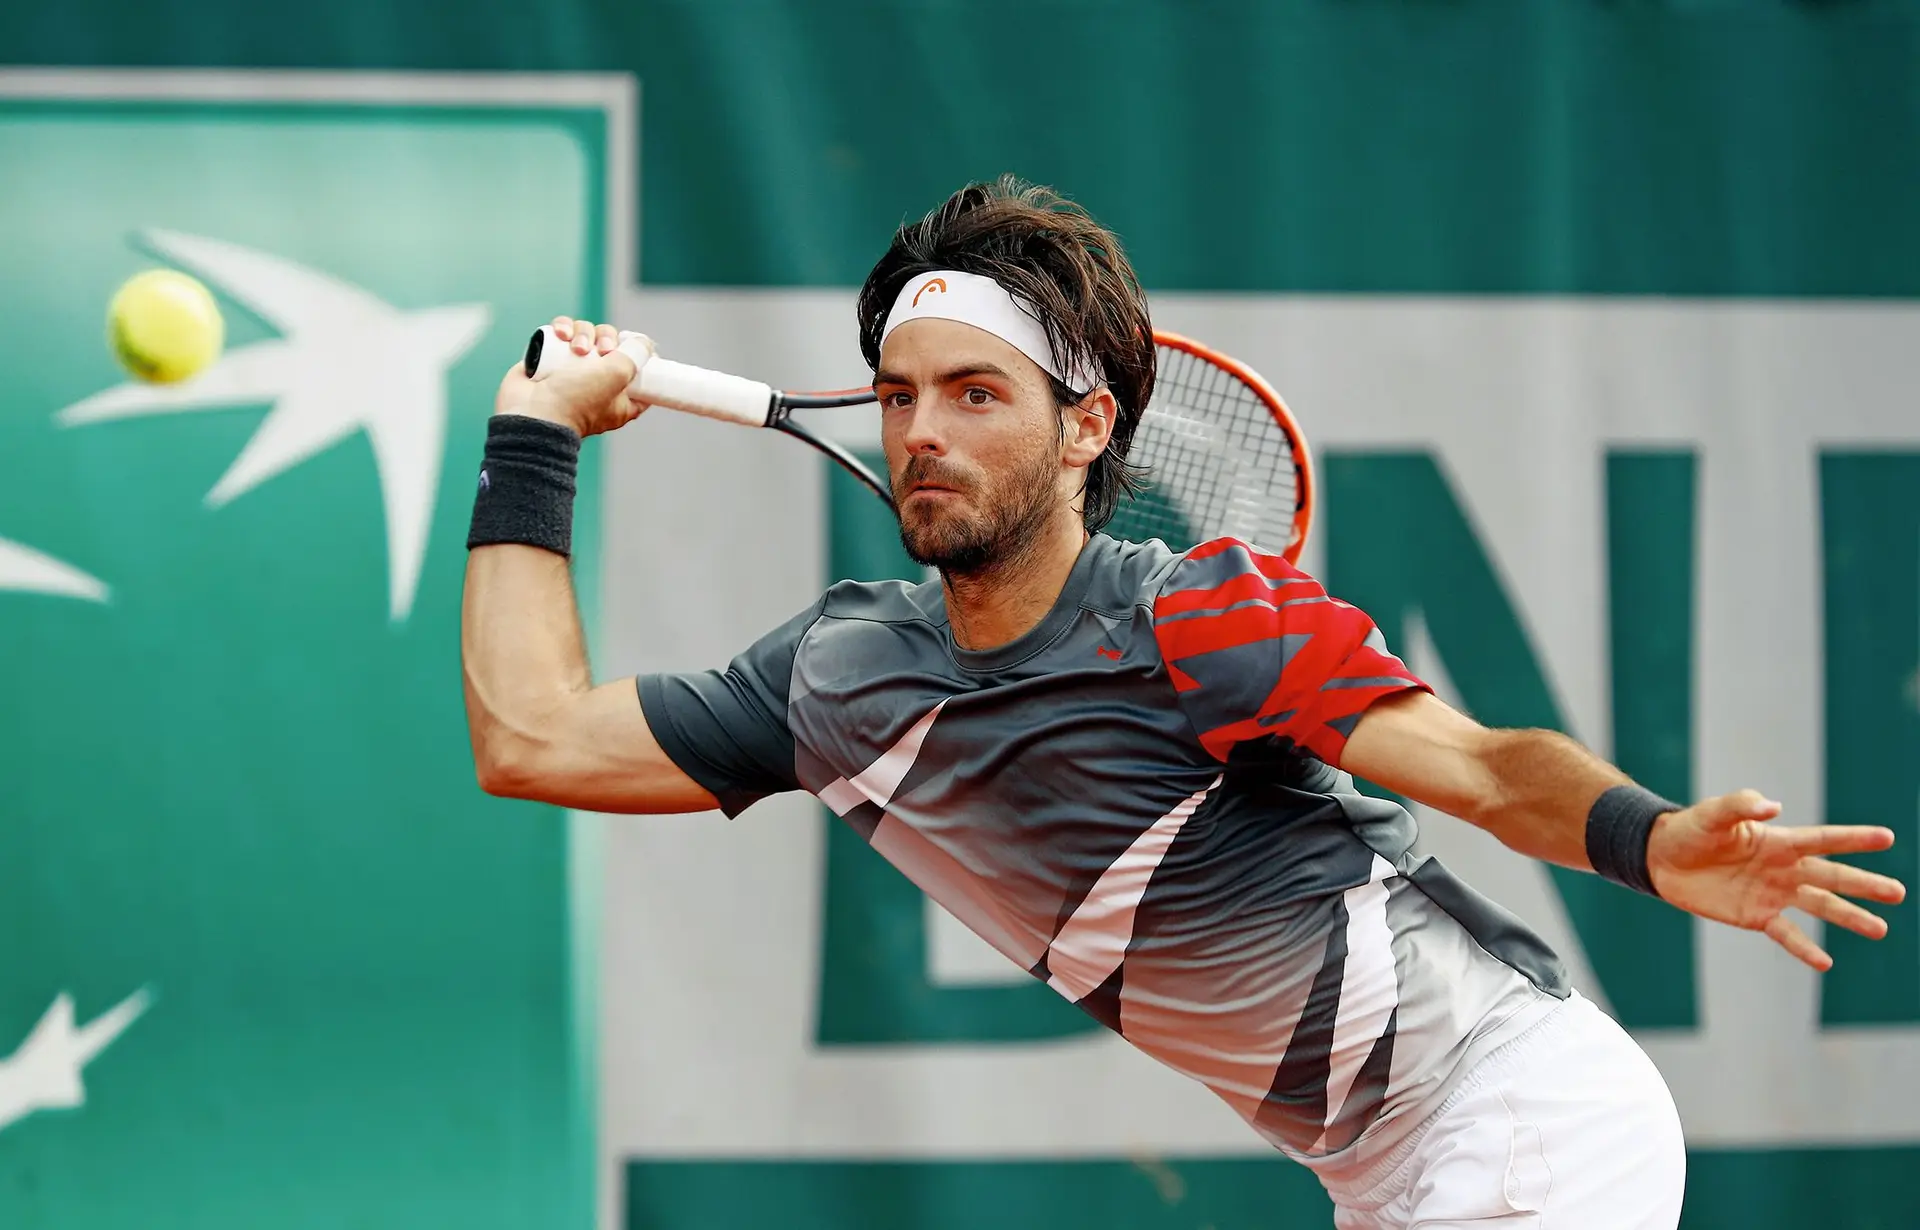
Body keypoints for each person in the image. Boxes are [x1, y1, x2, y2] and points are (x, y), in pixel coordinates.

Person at [459, 176, 1906, 1229]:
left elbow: (1470, 762)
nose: (922, 434)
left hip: (1520, 1112)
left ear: (1088, 425)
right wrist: (531, 439)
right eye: (900, 395)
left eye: (976, 393)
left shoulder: (1198, 615)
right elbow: (531, 736)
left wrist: (1650, 843)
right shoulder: (837, 679)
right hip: (1372, 1171)